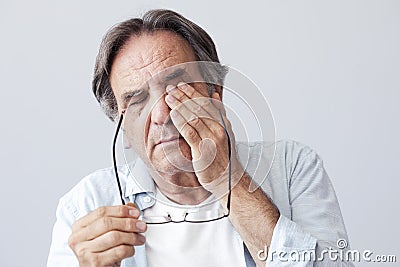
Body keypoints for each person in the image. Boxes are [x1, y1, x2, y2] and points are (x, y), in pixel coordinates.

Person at [47, 9, 354, 267]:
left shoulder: (292, 169)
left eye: (176, 88)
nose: (160, 115)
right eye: (137, 100)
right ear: (123, 129)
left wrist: (227, 180)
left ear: (215, 96)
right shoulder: (85, 205)